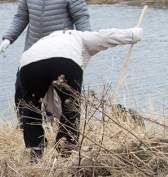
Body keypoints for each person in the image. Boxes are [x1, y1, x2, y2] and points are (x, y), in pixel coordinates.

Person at [16, 27, 142, 161]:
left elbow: (23, 98)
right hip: (65, 61)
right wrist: (133, 34)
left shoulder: (41, 43)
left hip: (28, 64)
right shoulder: (79, 36)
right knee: (71, 107)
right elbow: (106, 36)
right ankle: (65, 152)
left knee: (31, 107)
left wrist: (23, 116)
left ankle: (36, 152)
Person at [0, 0, 90, 115]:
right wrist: (8, 38)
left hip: (60, 52)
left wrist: (87, 43)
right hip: (32, 52)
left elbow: (81, 18)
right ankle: (25, 127)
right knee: (22, 92)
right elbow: (20, 18)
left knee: (60, 96)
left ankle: (55, 127)